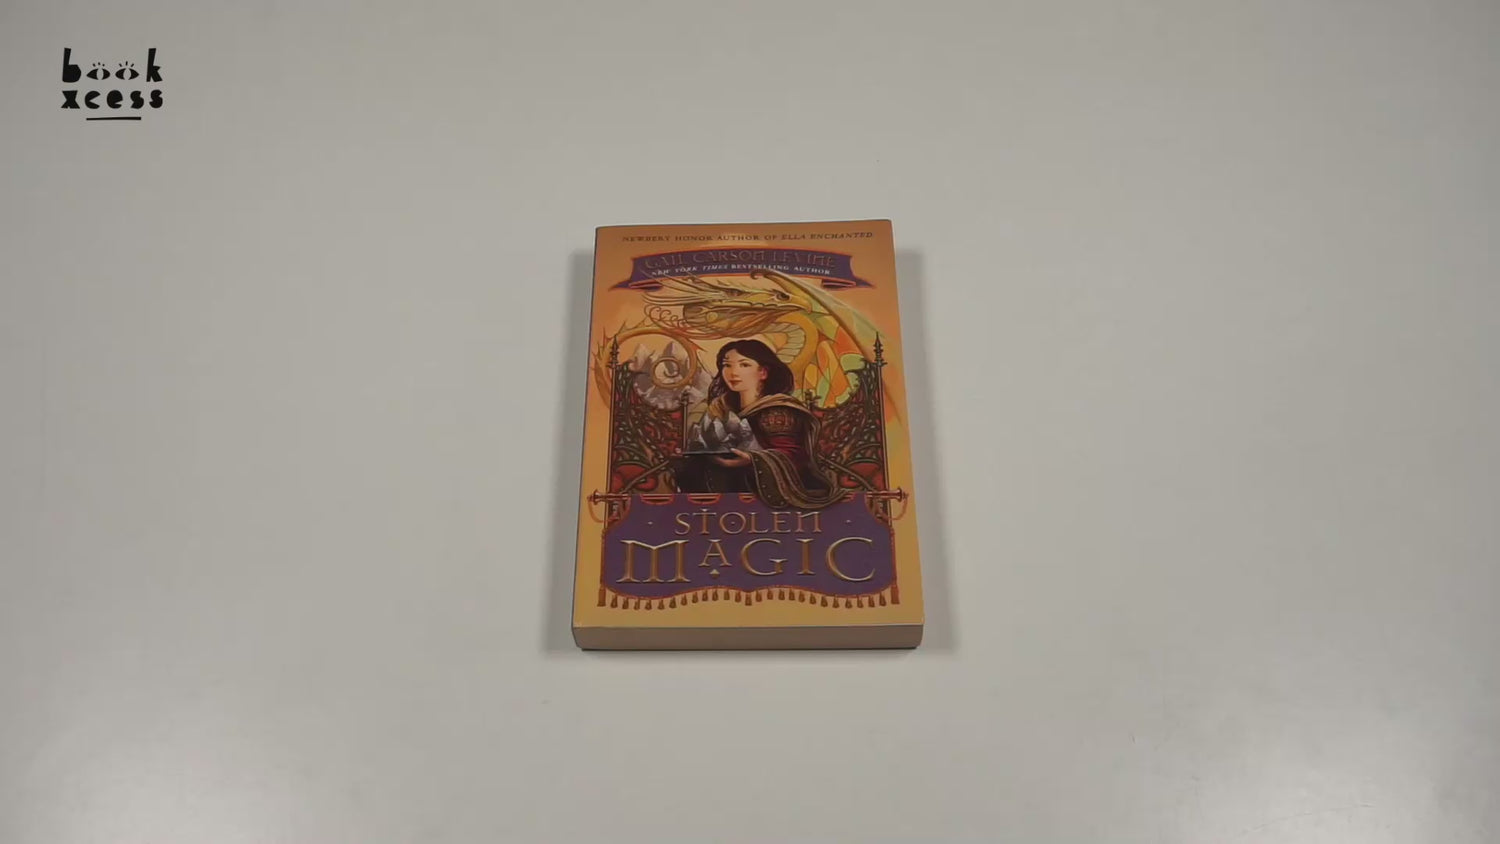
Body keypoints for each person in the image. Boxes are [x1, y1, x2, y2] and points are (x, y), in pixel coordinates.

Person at [673, 339, 845, 509]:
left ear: (763, 372)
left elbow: (791, 456)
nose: (733, 372)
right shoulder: (721, 407)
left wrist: (751, 459)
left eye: (744, 365)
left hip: (772, 490)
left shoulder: (777, 411)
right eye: (727, 365)